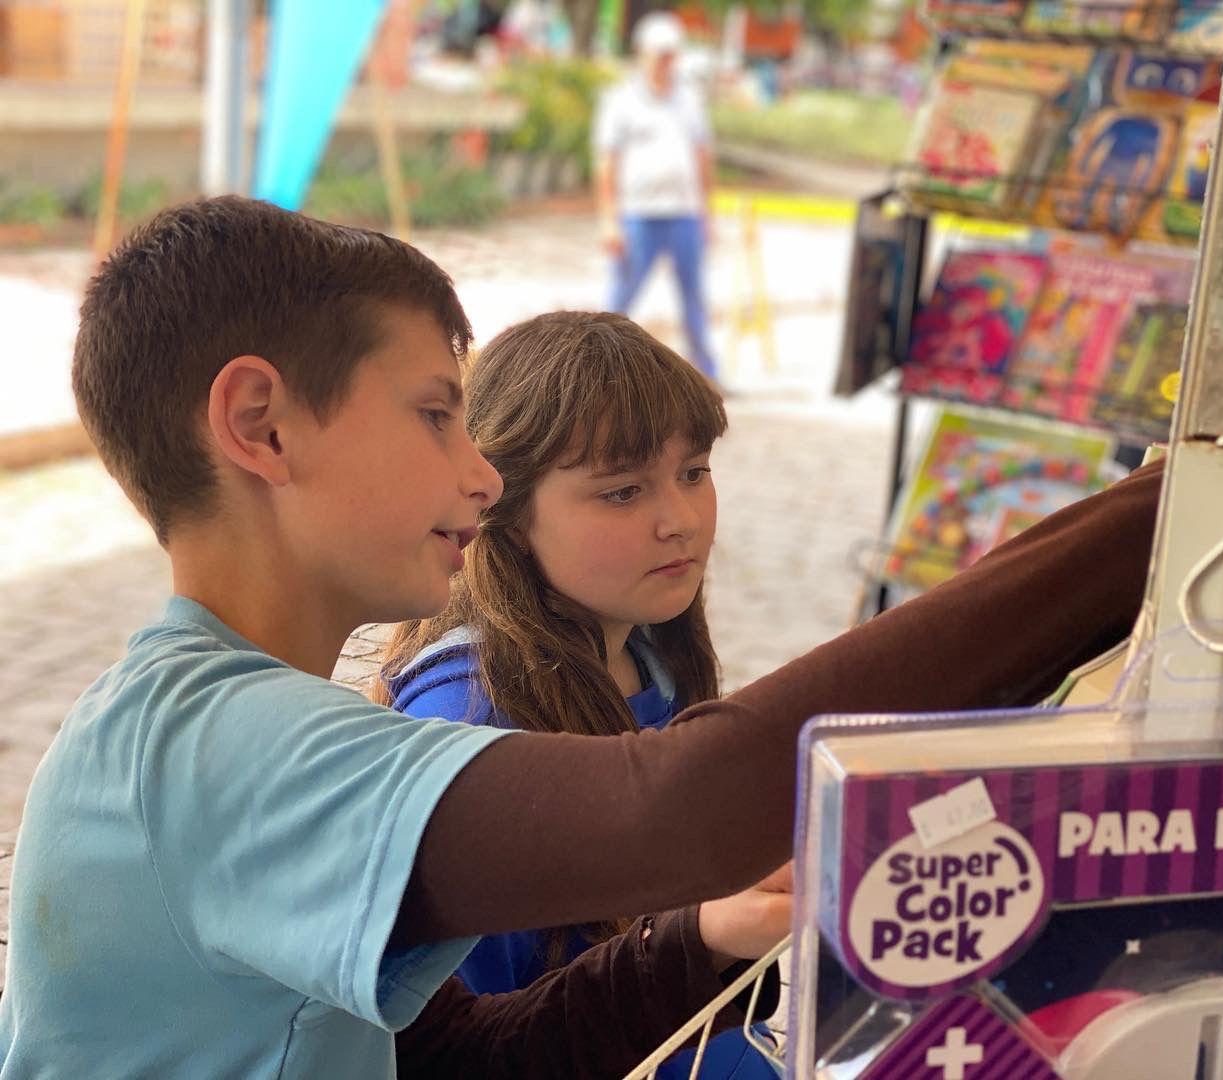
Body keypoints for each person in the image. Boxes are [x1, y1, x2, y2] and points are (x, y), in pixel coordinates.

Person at [0, 196, 1164, 1077]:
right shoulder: (212, 745)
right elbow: (678, 807)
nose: (480, 474)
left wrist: (703, 938)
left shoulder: (220, 727)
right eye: (435, 414)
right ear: (261, 425)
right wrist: (1143, 526)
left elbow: (465, 1060)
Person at [378, 311, 775, 1078]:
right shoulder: (468, 726)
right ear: (500, 506)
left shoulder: (651, 656)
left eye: (694, 472)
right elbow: (481, 1042)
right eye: (622, 492)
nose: (680, 520)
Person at [595, 10, 720, 382]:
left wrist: (707, 215)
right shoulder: (621, 100)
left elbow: (702, 157)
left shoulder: (689, 99)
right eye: (659, 54)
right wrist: (609, 221)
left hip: (683, 213)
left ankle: (706, 373)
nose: (666, 62)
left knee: (694, 298)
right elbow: (607, 165)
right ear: (642, 53)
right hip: (639, 214)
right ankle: (595, 370)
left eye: (671, 54)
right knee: (620, 297)